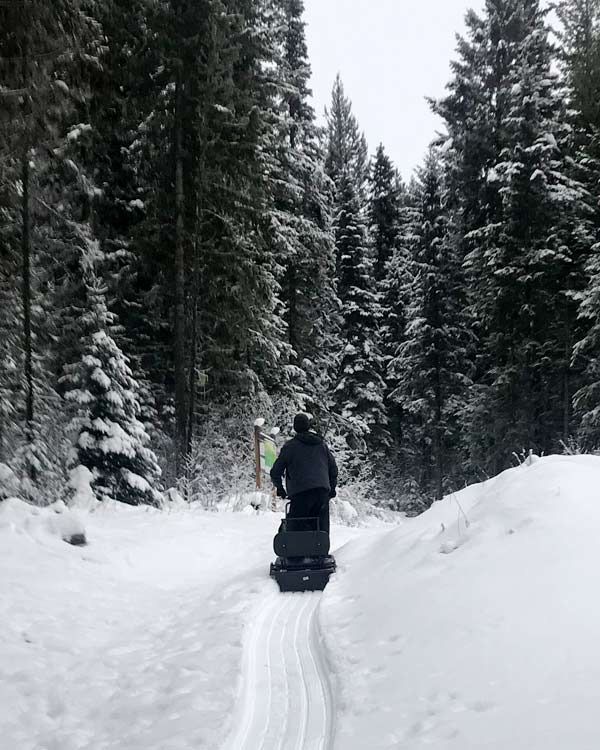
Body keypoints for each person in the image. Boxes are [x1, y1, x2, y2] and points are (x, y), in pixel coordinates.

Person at [270, 413, 338, 535]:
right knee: (320, 526)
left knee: (298, 528)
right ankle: (320, 549)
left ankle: (298, 550)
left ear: (295, 427)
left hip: (299, 493)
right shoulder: (322, 445)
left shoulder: (290, 447)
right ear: (308, 426)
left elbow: (275, 471)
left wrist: (280, 489)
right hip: (322, 492)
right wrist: (332, 489)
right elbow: (333, 469)